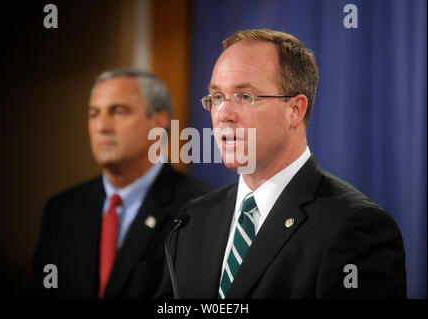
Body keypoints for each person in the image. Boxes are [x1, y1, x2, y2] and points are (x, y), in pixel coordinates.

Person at [155, 29, 406, 298]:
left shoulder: (355, 227)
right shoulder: (193, 219)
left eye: (245, 96)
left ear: (295, 110)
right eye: (217, 97)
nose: (223, 114)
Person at [30, 69, 213, 299]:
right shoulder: (61, 210)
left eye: (118, 112)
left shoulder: (200, 209)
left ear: (158, 122)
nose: (102, 127)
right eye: (94, 114)